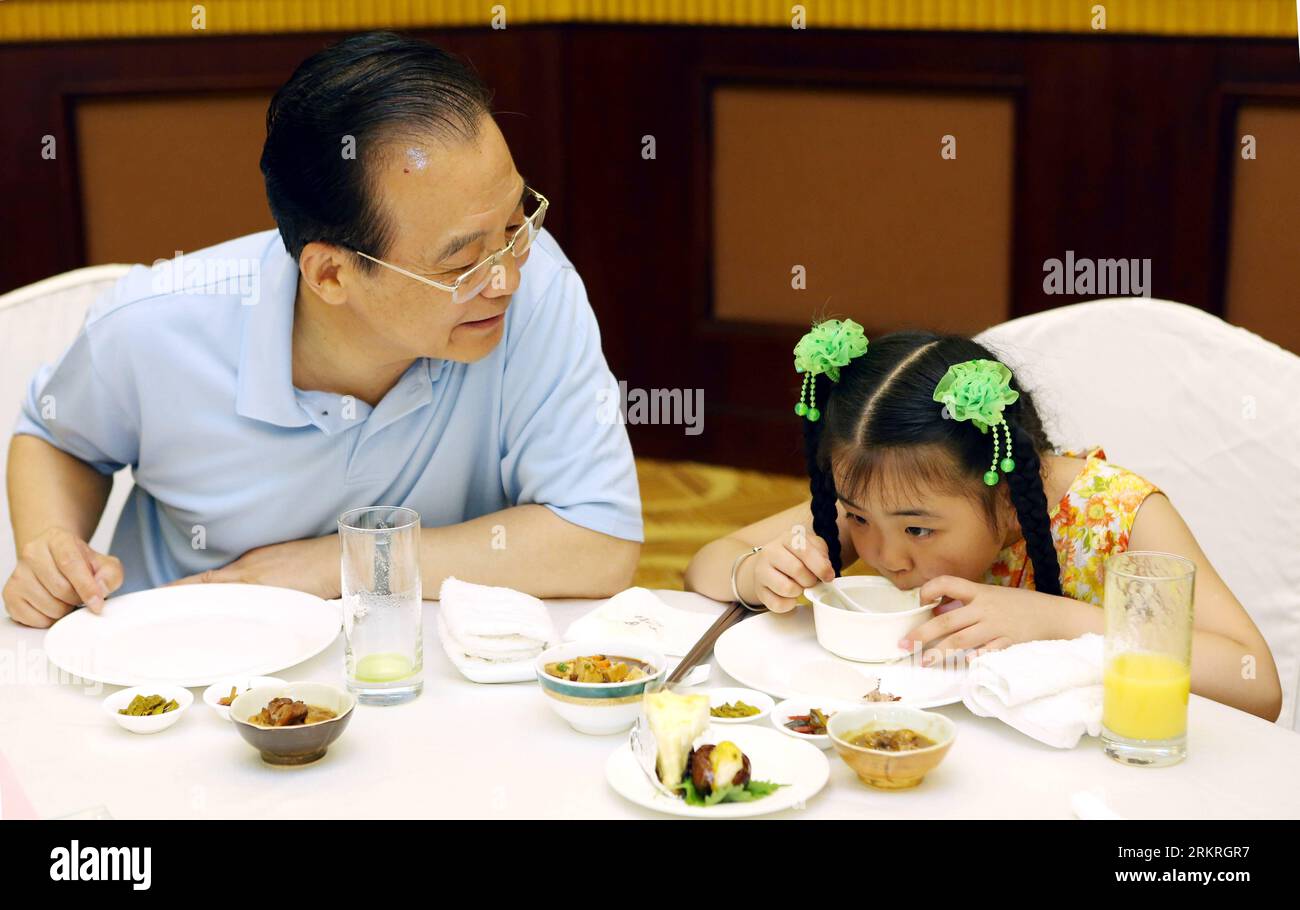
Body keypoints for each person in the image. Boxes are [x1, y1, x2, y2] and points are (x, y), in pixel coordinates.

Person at [4, 32, 642, 628]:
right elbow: (58, 439)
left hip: (414, 672)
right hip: (185, 666)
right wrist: (49, 549)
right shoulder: (152, 327)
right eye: (460, 263)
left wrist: (331, 564)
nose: (505, 279)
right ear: (331, 274)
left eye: (515, 224)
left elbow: (599, 543)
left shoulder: (540, 290)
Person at [684, 320, 1281, 721]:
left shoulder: (1117, 516)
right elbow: (706, 564)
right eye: (859, 518)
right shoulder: (882, 503)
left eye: (919, 530)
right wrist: (754, 573)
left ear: (1000, 494)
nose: (887, 556)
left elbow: (1255, 684)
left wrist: (1055, 620)